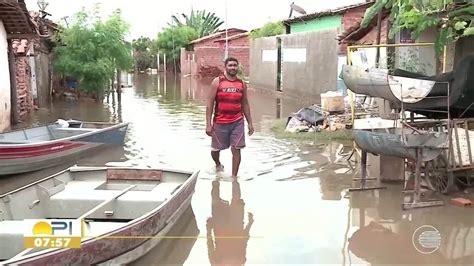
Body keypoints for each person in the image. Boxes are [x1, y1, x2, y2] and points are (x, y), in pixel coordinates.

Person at [206, 57, 254, 178]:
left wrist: (250, 123)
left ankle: (234, 177)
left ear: (238, 67)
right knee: (215, 149)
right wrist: (208, 124)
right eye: (230, 65)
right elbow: (209, 104)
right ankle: (217, 164)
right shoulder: (217, 82)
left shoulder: (241, 84)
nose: (233, 68)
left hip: (237, 121)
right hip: (220, 122)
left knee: (236, 149)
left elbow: (245, 104)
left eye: (235, 65)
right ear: (225, 67)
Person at [207, 180, 254, 265]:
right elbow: (244, 242)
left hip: (225, 228)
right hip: (229, 228)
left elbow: (244, 242)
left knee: (221, 198)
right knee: (225, 198)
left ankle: (222, 176)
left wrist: (208, 229)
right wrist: (250, 224)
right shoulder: (239, 262)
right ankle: (226, 176)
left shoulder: (218, 264)